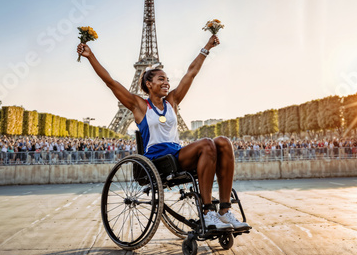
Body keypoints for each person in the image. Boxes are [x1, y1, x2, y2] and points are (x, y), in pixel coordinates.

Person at [77, 34, 249, 231]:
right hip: (158, 159)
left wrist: (207, 47)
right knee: (208, 143)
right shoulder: (139, 105)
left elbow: (191, 73)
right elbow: (110, 82)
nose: (167, 82)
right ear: (149, 84)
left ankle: (225, 211)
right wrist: (90, 56)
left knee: (224, 142)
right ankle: (208, 211)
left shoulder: (172, 101)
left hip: (177, 154)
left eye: (167, 79)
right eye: (161, 79)